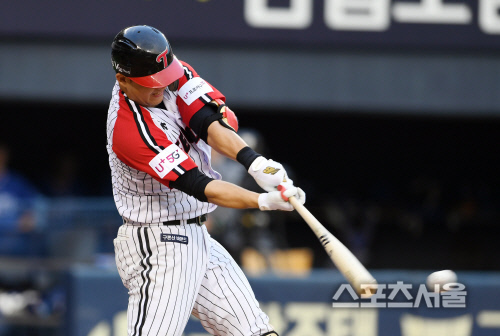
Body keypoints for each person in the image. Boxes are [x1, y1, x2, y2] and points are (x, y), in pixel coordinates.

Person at [107, 25, 305, 336]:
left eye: (164, 76)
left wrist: (256, 164)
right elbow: (201, 186)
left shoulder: (175, 73)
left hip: (198, 236)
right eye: (150, 83)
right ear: (123, 80)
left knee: (255, 332)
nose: (162, 87)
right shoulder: (129, 129)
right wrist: (261, 200)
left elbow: (209, 123)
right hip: (159, 244)